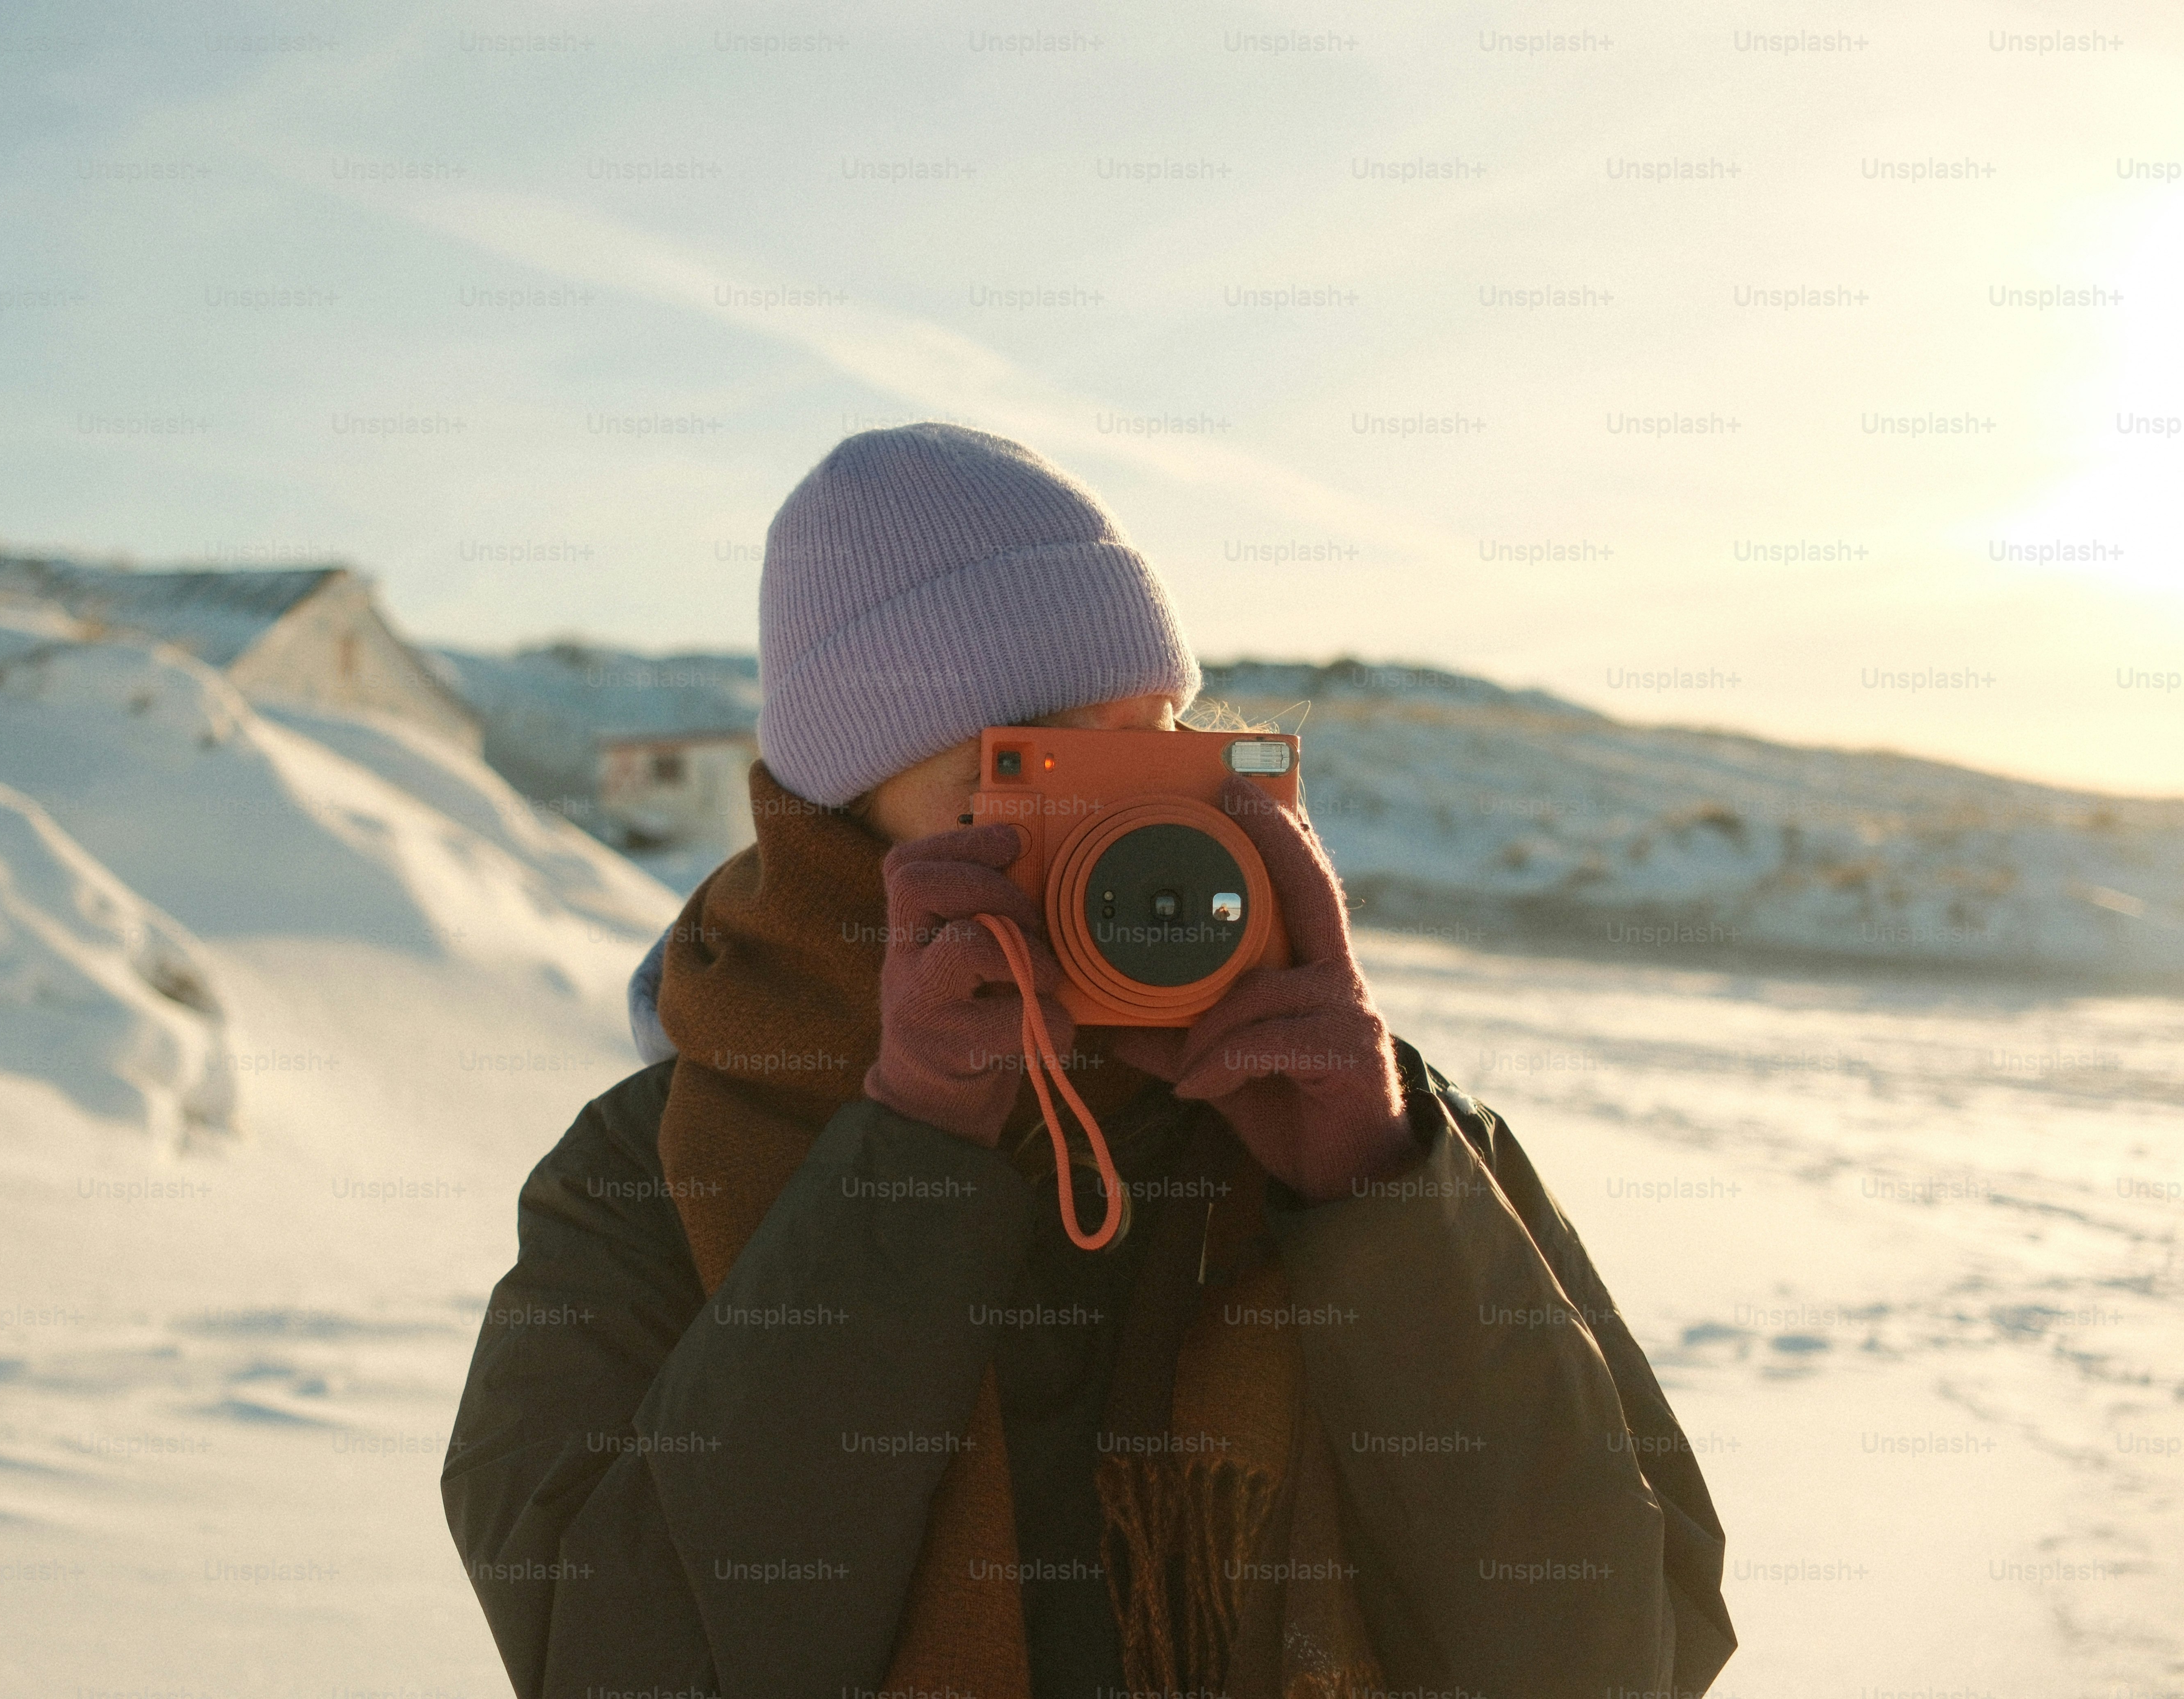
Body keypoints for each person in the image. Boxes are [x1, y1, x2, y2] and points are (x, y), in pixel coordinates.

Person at [442, 423, 1736, 1698]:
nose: (1133, 823)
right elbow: (616, 1662)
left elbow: (1621, 1659)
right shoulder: (638, 1177)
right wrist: (908, 1159)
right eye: (1044, 764)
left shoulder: (1386, 1134)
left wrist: (1377, 1205)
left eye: (1158, 745)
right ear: (850, 807)